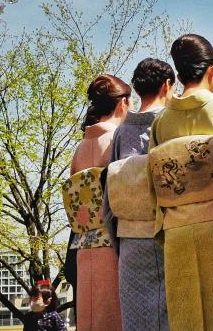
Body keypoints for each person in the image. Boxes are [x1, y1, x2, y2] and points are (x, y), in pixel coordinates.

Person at [149, 34, 213, 330]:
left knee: (186, 318)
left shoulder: (161, 122)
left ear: (178, 74)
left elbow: (153, 183)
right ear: (212, 70)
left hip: (176, 230)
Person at [105, 58, 175, 331]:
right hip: (164, 232)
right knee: (167, 316)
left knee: (135, 319)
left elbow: (109, 195)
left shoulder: (121, 132)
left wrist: (118, 242)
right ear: (167, 86)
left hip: (129, 238)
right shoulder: (167, 123)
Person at [65, 74, 130, 331]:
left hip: (84, 245)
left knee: (90, 318)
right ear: (122, 103)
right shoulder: (117, 139)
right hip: (113, 242)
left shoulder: (81, 148)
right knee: (113, 317)